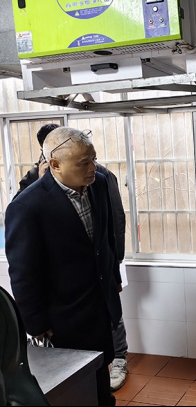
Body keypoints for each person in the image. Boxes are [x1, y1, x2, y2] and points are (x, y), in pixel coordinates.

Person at [5, 127, 123, 406]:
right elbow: (23, 272)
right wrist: (36, 324)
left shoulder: (99, 184)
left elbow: (106, 239)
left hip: (99, 305)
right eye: (84, 163)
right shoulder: (27, 206)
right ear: (55, 165)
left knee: (101, 379)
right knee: (75, 388)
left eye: (93, 159)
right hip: (63, 316)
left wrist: (114, 278)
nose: (93, 167)